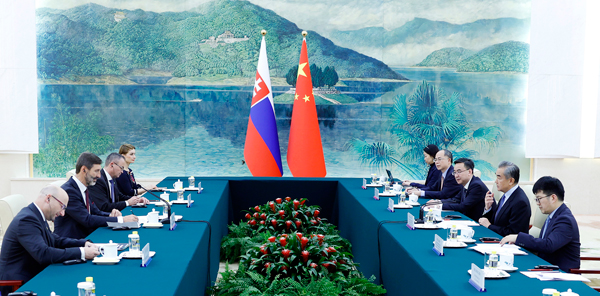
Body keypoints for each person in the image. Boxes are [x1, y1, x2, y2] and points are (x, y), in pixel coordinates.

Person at [0, 185, 100, 295]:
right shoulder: (27, 219)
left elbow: (54, 240)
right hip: (20, 285)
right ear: (48, 198)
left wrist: (83, 243)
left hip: (34, 273)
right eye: (62, 207)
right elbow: (43, 254)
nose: (63, 213)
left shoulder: (35, 214)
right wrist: (82, 252)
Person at [500, 177, 580, 272]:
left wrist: (518, 238)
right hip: (547, 268)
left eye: (539, 199)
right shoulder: (553, 215)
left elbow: (549, 245)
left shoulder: (565, 220)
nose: (537, 203)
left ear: (553, 198)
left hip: (561, 274)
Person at [54, 152, 138, 239]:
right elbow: (87, 219)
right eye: (96, 171)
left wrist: (110, 215)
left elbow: (96, 212)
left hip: (87, 235)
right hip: (72, 241)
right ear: (84, 170)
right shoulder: (69, 191)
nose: (99, 175)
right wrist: (121, 220)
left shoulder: (84, 187)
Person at [479, 161, 531, 236]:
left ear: (511, 181)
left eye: (499, 178)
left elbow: (513, 233)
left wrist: (489, 226)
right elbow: (496, 222)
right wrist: (488, 208)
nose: (496, 181)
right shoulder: (506, 195)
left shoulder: (520, 202)